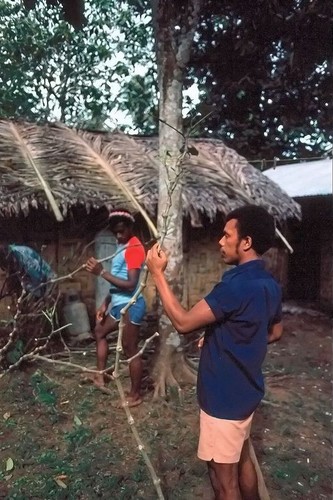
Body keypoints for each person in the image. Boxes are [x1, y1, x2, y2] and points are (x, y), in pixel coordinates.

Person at [146, 205, 283, 500]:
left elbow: (183, 322)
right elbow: (274, 331)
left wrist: (157, 274)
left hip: (223, 398)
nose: (220, 242)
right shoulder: (269, 284)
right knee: (243, 460)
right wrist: (225, 337)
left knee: (224, 483)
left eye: (226, 235)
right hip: (246, 393)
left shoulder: (234, 286)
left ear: (245, 242)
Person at [85, 209, 146, 407]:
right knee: (99, 331)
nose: (119, 236)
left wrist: (101, 272)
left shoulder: (135, 247)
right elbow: (118, 280)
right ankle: (101, 376)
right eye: (115, 232)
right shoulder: (122, 245)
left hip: (131, 305)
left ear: (130, 228)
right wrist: (105, 302)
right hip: (118, 303)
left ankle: (135, 395)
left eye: (122, 231)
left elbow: (130, 284)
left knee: (130, 349)